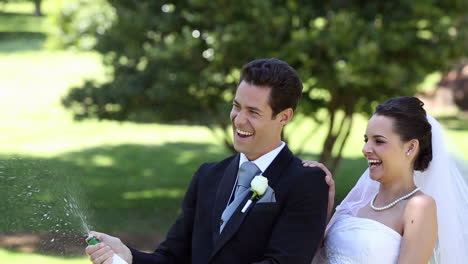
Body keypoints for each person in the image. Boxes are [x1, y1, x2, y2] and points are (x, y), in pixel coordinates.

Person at [85, 58, 329, 264]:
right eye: (236, 106)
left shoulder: (307, 182)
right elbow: (172, 257)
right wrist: (128, 256)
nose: (238, 120)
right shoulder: (208, 176)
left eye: (253, 112)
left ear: (284, 117)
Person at [304, 96, 468, 263]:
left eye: (379, 141)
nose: (366, 149)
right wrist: (325, 204)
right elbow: (314, 256)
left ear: (410, 147)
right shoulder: (358, 201)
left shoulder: (419, 206)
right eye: (366, 140)